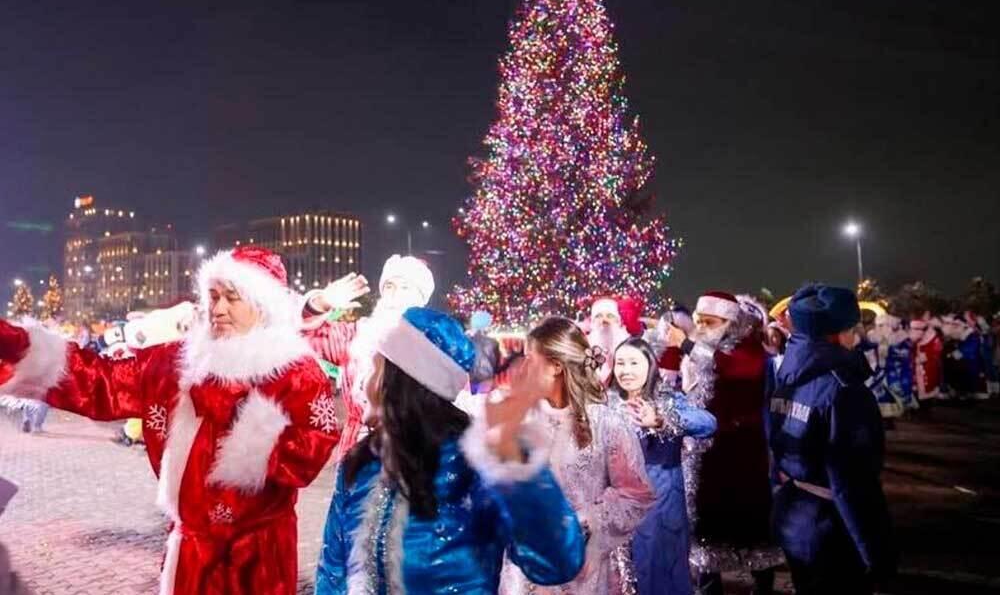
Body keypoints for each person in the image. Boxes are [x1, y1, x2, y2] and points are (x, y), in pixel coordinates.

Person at [0, 246, 341, 594]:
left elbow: (307, 457)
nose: (218, 309)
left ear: (263, 304)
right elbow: (99, 381)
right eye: (213, 296)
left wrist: (240, 420)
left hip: (256, 558)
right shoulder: (178, 362)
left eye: (232, 298)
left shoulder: (295, 371)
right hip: (189, 551)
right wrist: (18, 347)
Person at [314, 308, 585, 594]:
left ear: (402, 384)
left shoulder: (473, 465)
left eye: (375, 368)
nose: (363, 383)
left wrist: (517, 466)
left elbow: (558, 563)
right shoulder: (361, 462)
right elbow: (332, 572)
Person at [501, 317, 655, 595]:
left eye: (530, 359)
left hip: (582, 566)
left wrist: (584, 520)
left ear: (557, 366)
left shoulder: (607, 424)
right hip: (526, 564)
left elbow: (636, 496)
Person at [769, 285, 896, 594]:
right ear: (837, 334)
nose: (858, 336)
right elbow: (852, 482)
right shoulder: (844, 389)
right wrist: (874, 554)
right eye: (854, 328)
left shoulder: (788, 376)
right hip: (832, 528)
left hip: (796, 516)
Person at [664, 291, 782, 595]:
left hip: (743, 451)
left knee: (751, 518)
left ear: (729, 322)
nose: (701, 326)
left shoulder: (749, 349)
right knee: (706, 518)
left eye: (710, 321)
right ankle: (708, 584)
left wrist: (688, 345)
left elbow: (734, 367)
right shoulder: (703, 348)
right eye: (699, 320)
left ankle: (763, 581)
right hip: (707, 451)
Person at [607, 337, 717, 595]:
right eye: (620, 363)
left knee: (662, 578)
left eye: (634, 362)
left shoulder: (667, 400)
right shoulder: (607, 404)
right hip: (618, 513)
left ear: (650, 365)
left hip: (661, 511)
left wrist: (659, 420)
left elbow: (708, 423)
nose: (626, 370)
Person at [302, 254, 433, 461]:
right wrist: (321, 303)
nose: (396, 294)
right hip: (357, 451)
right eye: (390, 286)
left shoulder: (435, 343)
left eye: (406, 287)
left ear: (421, 298)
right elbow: (308, 339)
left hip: (413, 455)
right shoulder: (355, 334)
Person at [908, 314, 943, 405]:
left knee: (928, 386)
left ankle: (928, 402)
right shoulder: (913, 340)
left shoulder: (932, 338)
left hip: (928, 367)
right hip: (916, 367)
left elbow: (936, 352)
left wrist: (925, 357)